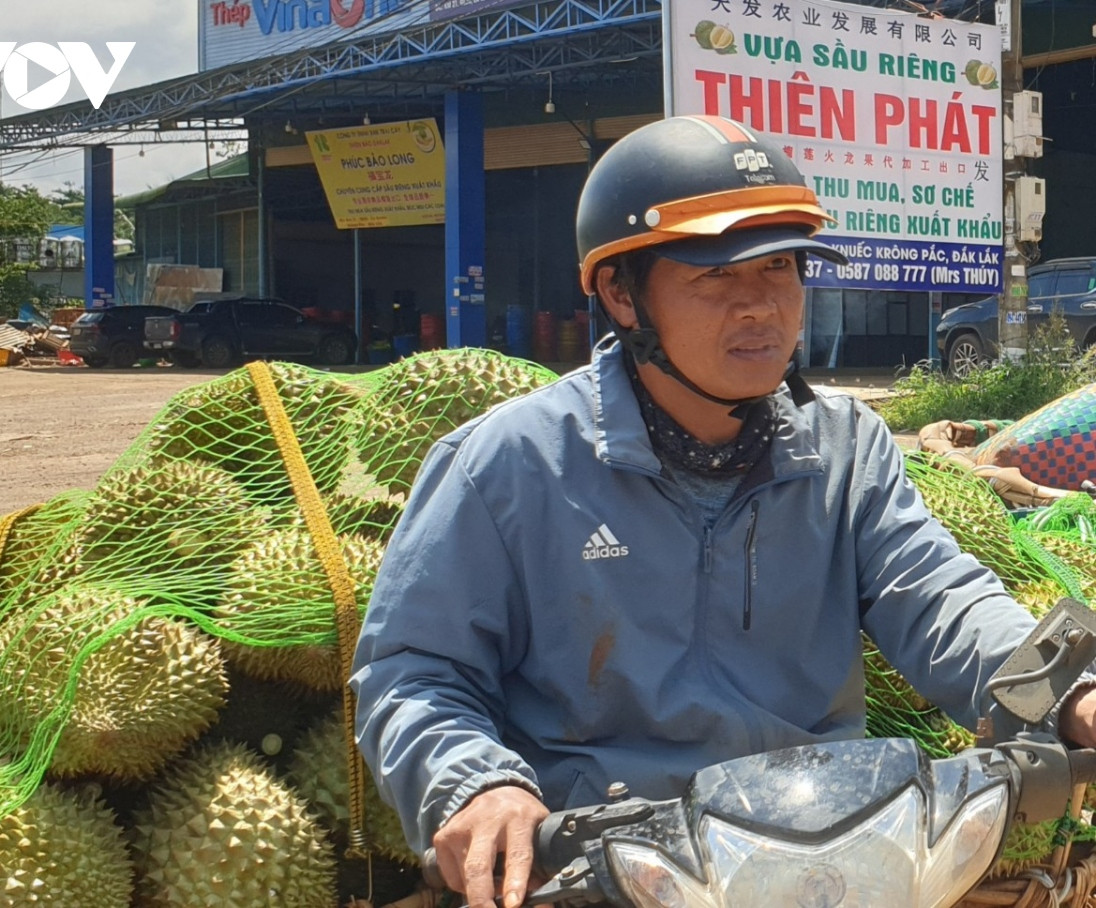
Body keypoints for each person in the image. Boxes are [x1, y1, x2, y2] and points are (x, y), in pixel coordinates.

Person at [350, 115, 1096, 908]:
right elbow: (416, 672)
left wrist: (1071, 688)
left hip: (830, 854)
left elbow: (942, 600)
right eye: (717, 276)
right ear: (620, 293)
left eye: (780, 269)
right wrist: (476, 784)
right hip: (605, 869)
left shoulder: (844, 449)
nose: (762, 307)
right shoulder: (508, 464)